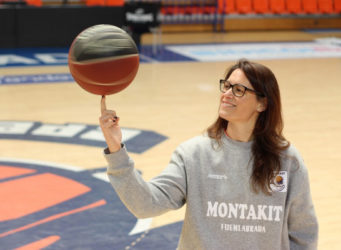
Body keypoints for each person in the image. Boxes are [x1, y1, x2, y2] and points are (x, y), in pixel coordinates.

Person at [99, 59, 318, 249]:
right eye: (226, 86)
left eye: (239, 90)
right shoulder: (194, 154)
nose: (227, 95)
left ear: (262, 103)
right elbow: (145, 204)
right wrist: (116, 149)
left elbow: (303, 233)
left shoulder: (287, 161)